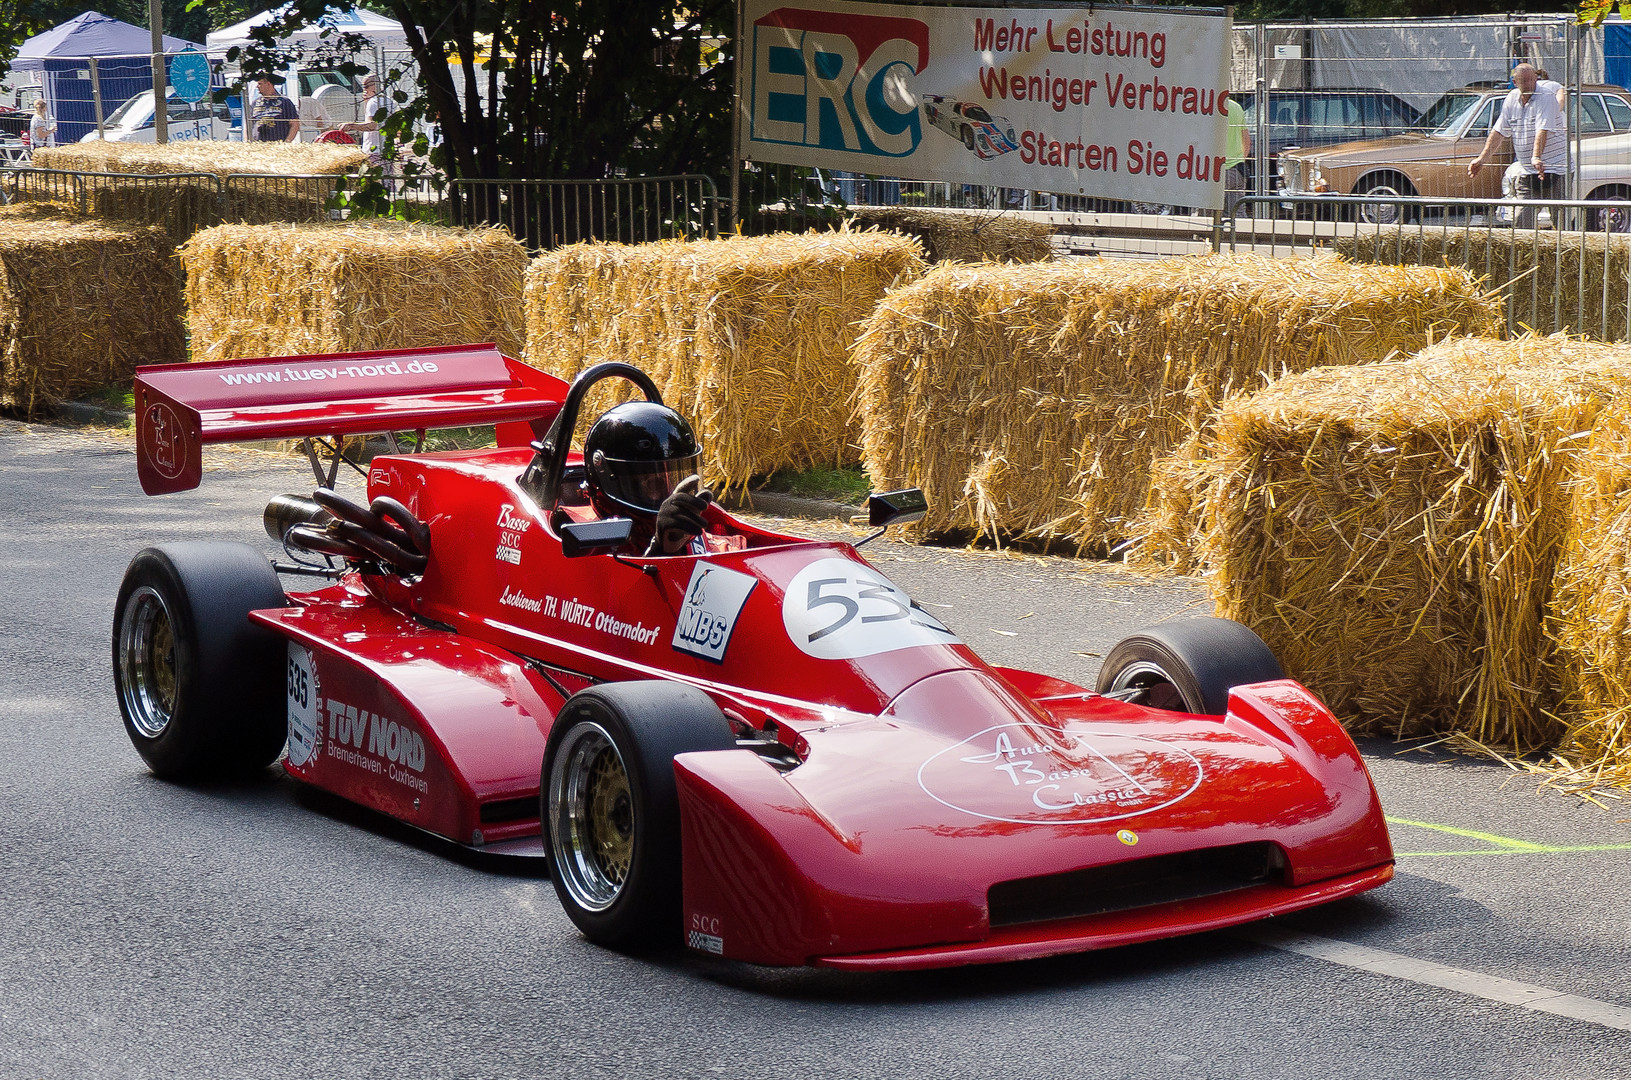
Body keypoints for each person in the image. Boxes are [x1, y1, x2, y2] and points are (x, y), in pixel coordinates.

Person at [579, 401, 741, 556]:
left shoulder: (721, 542)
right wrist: (659, 549)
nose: (671, 494)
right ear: (609, 479)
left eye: (677, 479)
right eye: (653, 483)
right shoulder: (584, 544)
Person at [1468, 63, 1565, 229]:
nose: (1529, 84)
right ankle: (1524, 255)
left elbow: (1542, 130)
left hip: (1556, 170)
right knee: (1521, 222)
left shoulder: (1546, 97)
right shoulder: (1511, 98)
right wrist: (1481, 159)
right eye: (1524, 81)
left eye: (1531, 80)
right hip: (1528, 172)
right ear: (1515, 81)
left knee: (1561, 222)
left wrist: (1536, 157)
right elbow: (1498, 132)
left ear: (1536, 78)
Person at [1223, 92, 1251, 218]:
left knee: (1205, 215)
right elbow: (1246, 140)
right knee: (1237, 213)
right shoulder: (1236, 107)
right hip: (1237, 169)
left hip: (1217, 171)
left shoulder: (1208, 107)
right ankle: (1241, 237)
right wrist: (1240, 159)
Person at [249, 76, 299, 143]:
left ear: (268, 84)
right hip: (258, 145)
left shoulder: (285, 102)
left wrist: (287, 142)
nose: (257, 86)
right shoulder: (255, 103)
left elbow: (294, 124)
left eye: (260, 84)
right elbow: (249, 124)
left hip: (278, 145)